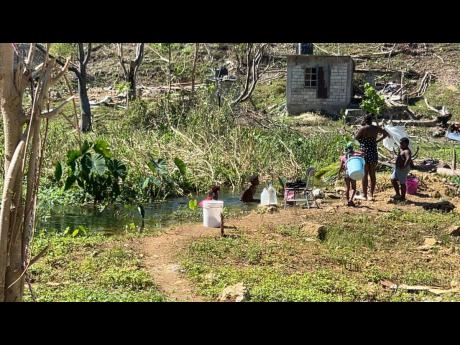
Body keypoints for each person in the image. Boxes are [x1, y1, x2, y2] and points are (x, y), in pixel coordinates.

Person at [355, 114, 389, 201]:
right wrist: (376, 141)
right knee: (372, 174)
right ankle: (371, 194)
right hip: (373, 152)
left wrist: (363, 142)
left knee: (365, 175)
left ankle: (365, 195)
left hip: (365, 153)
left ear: (365, 120)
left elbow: (356, 139)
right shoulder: (376, 128)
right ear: (371, 120)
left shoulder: (363, 129)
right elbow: (386, 134)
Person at [339, 142, 362, 207]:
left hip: (346, 173)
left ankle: (347, 201)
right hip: (353, 172)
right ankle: (350, 200)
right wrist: (355, 151)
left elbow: (341, 167)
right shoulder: (355, 155)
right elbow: (363, 154)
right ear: (352, 148)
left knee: (347, 188)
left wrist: (339, 174)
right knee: (354, 188)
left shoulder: (343, 157)